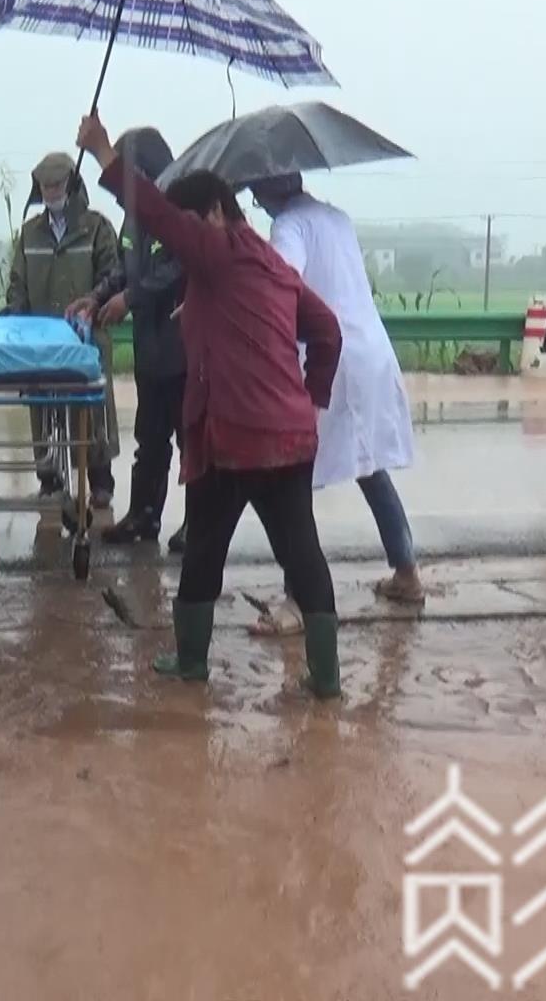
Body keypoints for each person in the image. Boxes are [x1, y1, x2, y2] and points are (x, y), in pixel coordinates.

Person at [76, 112, 347, 700]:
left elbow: (160, 216)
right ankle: (325, 678)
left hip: (233, 438)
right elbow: (326, 332)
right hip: (289, 438)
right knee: (302, 552)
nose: (185, 241)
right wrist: (311, 399)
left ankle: (191, 661)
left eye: (193, 224)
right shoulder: (270, 265)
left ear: (218, 213)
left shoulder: (218, 250)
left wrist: (103, 153)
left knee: (202, 551)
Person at [247, 174, 424, 636]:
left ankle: (296, 601)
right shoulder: (337, 218)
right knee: (369, 466)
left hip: (330, 358)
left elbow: (283, 283)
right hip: (370, 351)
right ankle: (406, 573)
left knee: (293, 477)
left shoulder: (288, 226)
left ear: (268, 192)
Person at [66, 127, 189, 551]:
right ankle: (143, 517)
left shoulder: (177, 213)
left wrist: (130, 298)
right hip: (149, 349)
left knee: (192, 442)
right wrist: (98, 296)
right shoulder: (134, 219)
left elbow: (176, 270)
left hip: (185, 348)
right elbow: (124, 267)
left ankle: (197, 524)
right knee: (149, 441)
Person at [5, 151, 122, 508]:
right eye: (45, 185)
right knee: (42, 410)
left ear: (71, 185)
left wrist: (94, 304)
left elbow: (114, 277)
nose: (51, 191)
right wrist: (13, 312)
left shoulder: (98, 228)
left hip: (87, 340)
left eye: (57, 184)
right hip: (41, 342)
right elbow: (17, 285)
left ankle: (100, 480)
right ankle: (50, 479)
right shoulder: (29, 234)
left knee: (93, 410)